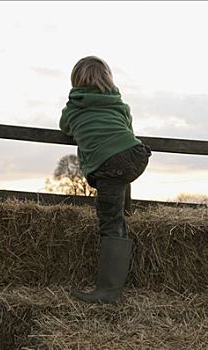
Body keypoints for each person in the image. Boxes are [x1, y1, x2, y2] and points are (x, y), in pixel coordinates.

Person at [59, 56, 151, 304]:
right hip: (136, 154)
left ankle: (109, 291)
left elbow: (64, 127)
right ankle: (114, 282)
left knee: (110, 220)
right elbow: (128, 129)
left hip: (109, 164)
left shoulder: (74, 107)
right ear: (108, 78)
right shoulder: (119, 104)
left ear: (76, 81)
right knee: (118, 199)